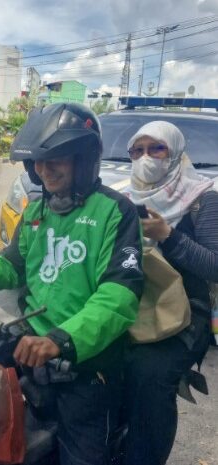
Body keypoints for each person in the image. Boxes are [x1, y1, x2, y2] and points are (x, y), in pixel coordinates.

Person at [0, 103, 143, 465]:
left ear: (83, 160)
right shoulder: (37, 211)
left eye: (55, 160)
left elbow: (120, 296)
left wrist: (60, 340)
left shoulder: (115, 211)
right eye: (37, 161)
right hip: (29, 352)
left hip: (87, 370)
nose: (43, 170)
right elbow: (11, 268)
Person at [123, 120, 216, 465]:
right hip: (131, 300)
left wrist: (169, 236)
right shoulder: (126, 195)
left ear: (175, 152)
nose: (146, 158)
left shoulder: (202, 197)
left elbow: (215, 266)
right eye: (138, 150)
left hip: (185, 312)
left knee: (150, 378)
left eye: (156, 148)